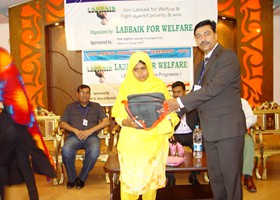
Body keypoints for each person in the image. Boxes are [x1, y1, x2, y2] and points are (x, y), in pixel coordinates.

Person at [165, 20, 247, 200]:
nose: (203, 39)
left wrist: (178, 102)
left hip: (227, 129)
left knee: (230, 179)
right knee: (216, 179)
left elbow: (213, 89)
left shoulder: (227, 57)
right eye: (198, 36)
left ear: (216, 35)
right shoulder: (199, 66)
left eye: (207, 34)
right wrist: (168, 116)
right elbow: (196, 96)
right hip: (209, 131)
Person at [111, 51, 179, 200]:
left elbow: (170, 111)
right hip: (132, 143)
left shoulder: (158, 85)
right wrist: (126, 122)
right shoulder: (126, 86)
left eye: (143, 68)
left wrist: (166, 116)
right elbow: (117, 114)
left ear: (149, 67)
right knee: (130, 184)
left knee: (150, 184)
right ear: (131, 70)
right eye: (136, 69)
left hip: (154, 143)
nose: (140, 73)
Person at [0, 47, 55, 200]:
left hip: (8, 122)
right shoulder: (11, 68)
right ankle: (34, 197)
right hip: (21, 122)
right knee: (22, 159)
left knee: (1, 162)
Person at [60, 84, 110, 189]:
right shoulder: (70, 107)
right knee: (66, 150)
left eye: (87, 93)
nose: (85, 95)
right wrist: (75, 131)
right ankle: (72, 178)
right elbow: (62, 123)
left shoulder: (96, 106)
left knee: (94, 151)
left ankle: (82, 178)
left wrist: (90, 131)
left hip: (91, 136)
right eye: (82, 93)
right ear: (77, 94)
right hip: (74, 136)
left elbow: (106, 121)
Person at [166, 81, 200, 186]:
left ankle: (194, 176)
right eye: (174, 92)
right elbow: (166, 121)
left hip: (191, 134)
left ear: (185, 92)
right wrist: (169, 133)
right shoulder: (170, 105)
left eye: (179, 92)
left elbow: (201, 119)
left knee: (200, 148)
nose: (176, 94)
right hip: (175, 135)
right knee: (167, 149)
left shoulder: (193, 103)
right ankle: (170, 178)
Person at [241, 98, 257, 192]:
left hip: (239, 131)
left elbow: (251, 118)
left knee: (248, 141)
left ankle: (247, 176)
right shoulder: (218, 101)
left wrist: (240, 126)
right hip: (223, 133)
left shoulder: (242, 102)